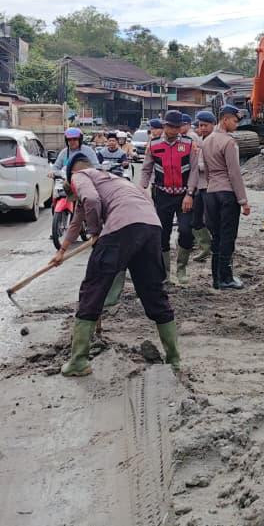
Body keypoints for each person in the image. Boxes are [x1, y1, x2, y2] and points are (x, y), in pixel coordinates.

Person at [50, 153, 179, 376]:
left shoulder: (79, 176)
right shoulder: (116, 181)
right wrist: (62, 251)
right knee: (153, 293)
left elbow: (90, 200)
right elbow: (78, 218)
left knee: (92, 289)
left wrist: (95, 232)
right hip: (151, 227)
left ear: (73, 173)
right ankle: (174, 359)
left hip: (122, 228)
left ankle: (79, 361)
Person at [139, 110, 200, 284]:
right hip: (162, 195)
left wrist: (190, 194)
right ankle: (165, 272)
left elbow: (194, 170)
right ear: (165, 125)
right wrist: (142, 190)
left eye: (177, 127)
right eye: (170, 126)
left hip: (184, 196)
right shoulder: (154, 145)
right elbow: (146, 170)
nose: (173, 130)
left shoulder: (189, 145)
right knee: (162, 235)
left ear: (181, 127)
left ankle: (181, 268)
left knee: (187, 231)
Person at [202, 106, 251, 289]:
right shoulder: (229, 142)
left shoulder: (206, 141)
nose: (236, 125)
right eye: (234, 121)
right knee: (228, 237)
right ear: (225, 119)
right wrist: (243, 200)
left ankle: (216, 278)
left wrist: (211, 187)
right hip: (227, 194)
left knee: (216, 236)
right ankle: (226, 277)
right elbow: (234, 173)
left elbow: (206, 171)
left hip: (211, 192)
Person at [190, 111, 217, 262]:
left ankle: (218, 245)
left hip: (212, 185)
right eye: (200, 125)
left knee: (211, 219)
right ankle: (206, 247)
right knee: (196, 220)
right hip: (199, 186)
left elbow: (215, 165)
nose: (203, 128)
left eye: (206, 125)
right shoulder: (200, 140)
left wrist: (197, 166)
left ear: (213, 124)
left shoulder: (215, 141)